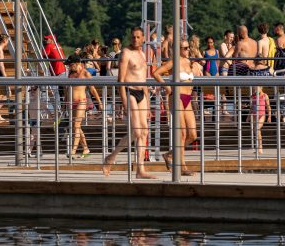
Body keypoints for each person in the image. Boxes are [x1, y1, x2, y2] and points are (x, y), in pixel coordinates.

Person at [102, 27, 156, 179]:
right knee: (137, 132)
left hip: (142, 93)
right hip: (130, 92)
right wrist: (124, 103)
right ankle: (111, 158)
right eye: (133, 37)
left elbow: (144, 80)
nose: (136, 40)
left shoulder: (142, 54)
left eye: (138, 37)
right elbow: (120, 80)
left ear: (143, 38)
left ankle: (139, 169)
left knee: (143, 132)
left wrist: (148, 105)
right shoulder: (126, 53)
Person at [153, 39, 200, 176]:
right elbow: (156, 73)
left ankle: (169, 155)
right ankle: (182, 166)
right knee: (182, 133)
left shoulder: (189, 62)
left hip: (188, 98)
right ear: (178, 49)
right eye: (184, 48)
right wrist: (167, 87)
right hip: (177, 96)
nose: (187, 50)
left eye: (187, 48)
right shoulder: (173, 62)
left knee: (193, 134)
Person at [66, 54, 100, 158]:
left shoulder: (85, 73)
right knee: (76, 126)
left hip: (81, 101)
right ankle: (86, 149)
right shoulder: (70, 73)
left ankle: (73, 150)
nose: (68, 67)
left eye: (70, 65)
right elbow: (67, 89)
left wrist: (99, 103)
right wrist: (65, 102)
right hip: (71, 102)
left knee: (76, 126)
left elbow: (92, 89)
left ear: (77, 64)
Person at [43, 34, 67, 115]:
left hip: (56, 73)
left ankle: (57, 110)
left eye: (47, 39)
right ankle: (65, 110)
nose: (45, 41)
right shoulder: (58, 45)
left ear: (52, 40)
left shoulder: (49, 46)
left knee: (52, 92)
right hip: (63, 70)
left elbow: (43, 55)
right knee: (62, 92)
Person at [250, 88, 271, 153]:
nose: (255, 89)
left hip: (262, 115)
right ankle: (259, 147)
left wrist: (269, 116)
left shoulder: (265, 95)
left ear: (261, 88)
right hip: (254, 115)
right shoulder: (253, 96)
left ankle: (260, 147)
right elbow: (252, 107)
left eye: (257, 88)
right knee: (257, 131)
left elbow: (268, 106)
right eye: (255, 88)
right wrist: (248, 116)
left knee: (257, 129)